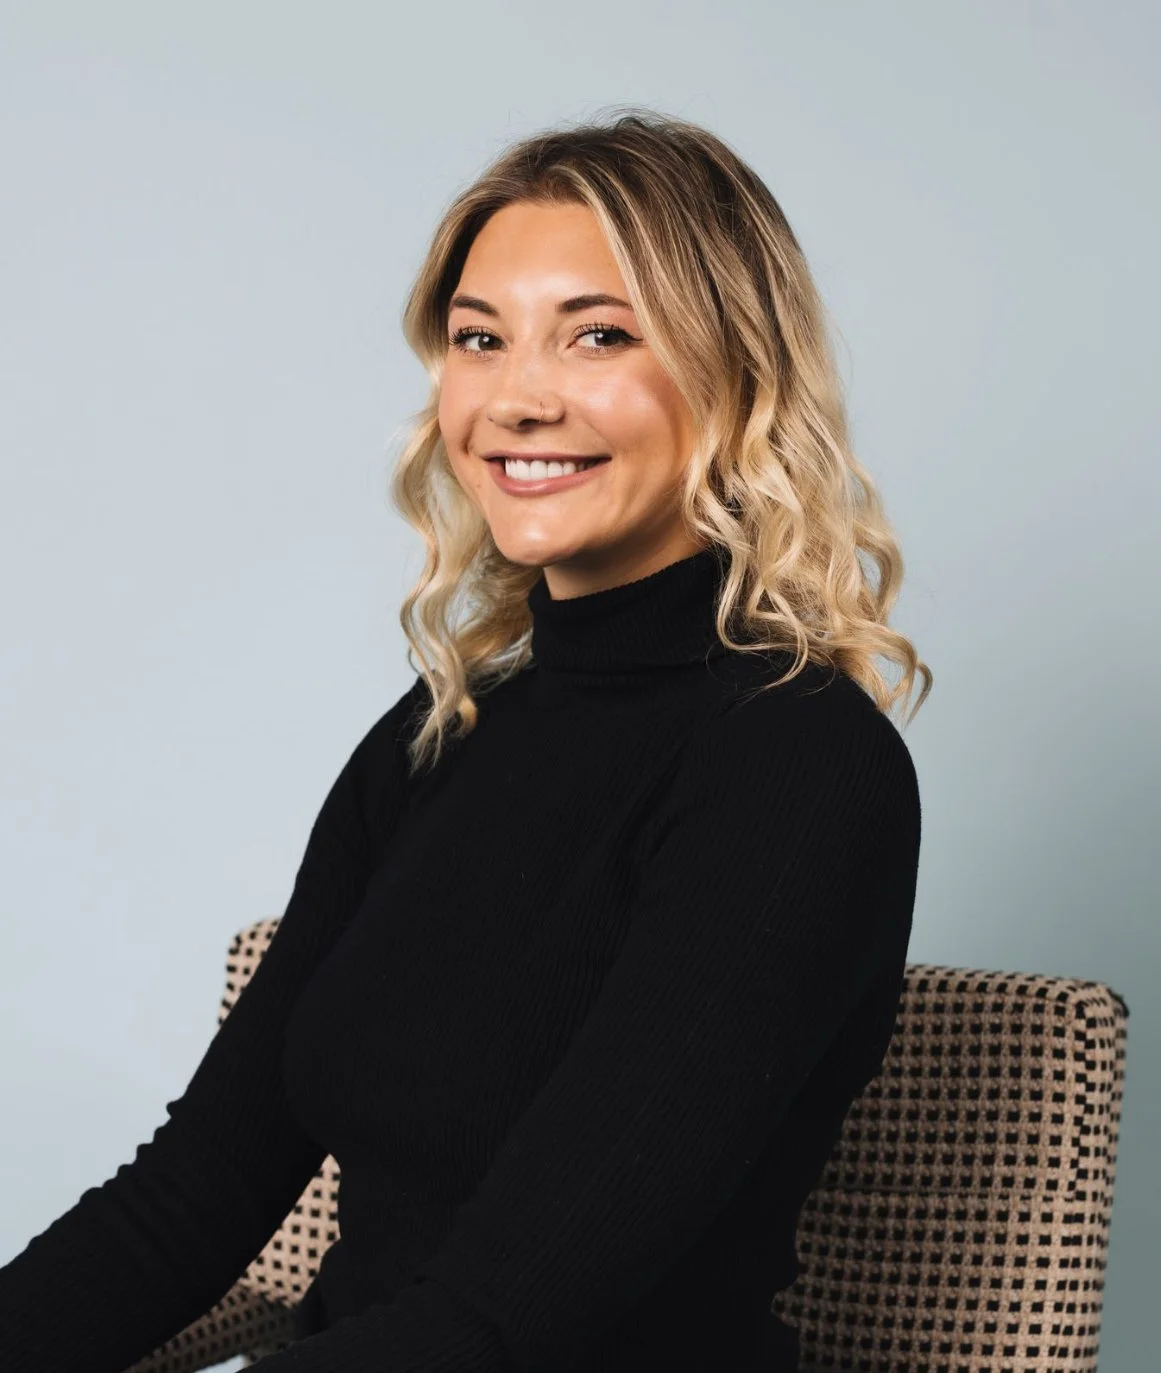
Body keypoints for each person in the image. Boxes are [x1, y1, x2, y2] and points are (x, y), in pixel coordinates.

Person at [0, 106, 930, 1373]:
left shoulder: (802, 767)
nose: (518, 399)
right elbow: (191, 1194)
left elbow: (504, 1321)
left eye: (599, 335)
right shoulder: (440, 734)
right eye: (477, 339)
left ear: (737, 376)